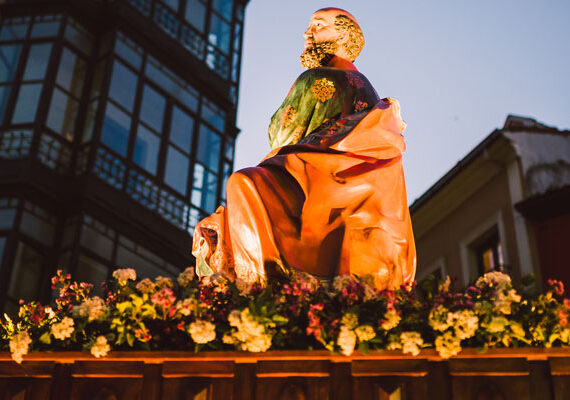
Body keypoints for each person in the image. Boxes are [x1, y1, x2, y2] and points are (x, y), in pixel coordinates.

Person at [192, 8, 416, 289]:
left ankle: (259, 284)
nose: (307, 33)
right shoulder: (367, 90)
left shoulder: (315, 79)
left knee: (244, 183)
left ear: (343, 34)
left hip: (313, 180)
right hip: (356, 189)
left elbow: (282, 134)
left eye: (318, 26)